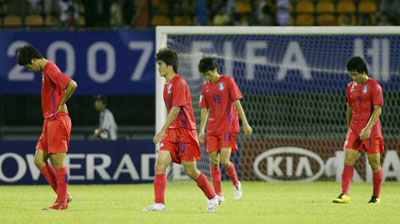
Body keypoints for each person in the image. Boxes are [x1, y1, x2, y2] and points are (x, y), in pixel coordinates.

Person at [143, 48, 219, 212]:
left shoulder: (179, 83)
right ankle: (159, 203)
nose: (159, 67)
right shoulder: (167, 85)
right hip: (173, 131)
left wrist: (162, 130)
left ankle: (213, 197)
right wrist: (167, 130)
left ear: (170, 65)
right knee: (160, 163)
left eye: (161, 64)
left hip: (185, 131)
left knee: (191, 170)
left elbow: (176, 109)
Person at [17, 45, 78, 210]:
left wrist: (62, 103)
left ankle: (61, 203)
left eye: (29, 66)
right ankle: (63, 195)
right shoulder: (46, 70)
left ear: (34, 59)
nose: (30, 69)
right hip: (50, 120)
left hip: (57, 120)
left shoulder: (50, 69)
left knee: (58, 161)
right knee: (38, 159)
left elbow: (72, 84)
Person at [198, 57, 253, 203]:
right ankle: (219, 194)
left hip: (228, 127)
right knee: (213, 161)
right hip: (212, 129)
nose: (207, 77)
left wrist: (245, 123)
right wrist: (202, 130)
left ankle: (236, 184)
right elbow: (204, 109)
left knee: (225, 161)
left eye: (209, 74)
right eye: (205, 75)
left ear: (215, 69)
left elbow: (237, 103)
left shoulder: (228, 81)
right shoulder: (206, 86)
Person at [333, 56, 384, 204]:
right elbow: (349, 108)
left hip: (372, 130)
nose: (354, 78)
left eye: (356, 74)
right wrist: (350, 128)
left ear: (363, 71)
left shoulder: (375, 86)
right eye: (351, 75)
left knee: (374, 163)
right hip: (355, 128)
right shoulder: (351, 87)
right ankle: (345, 194)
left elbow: (378, 110)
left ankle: (376, 196)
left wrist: (368, 129)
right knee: (348, 159)